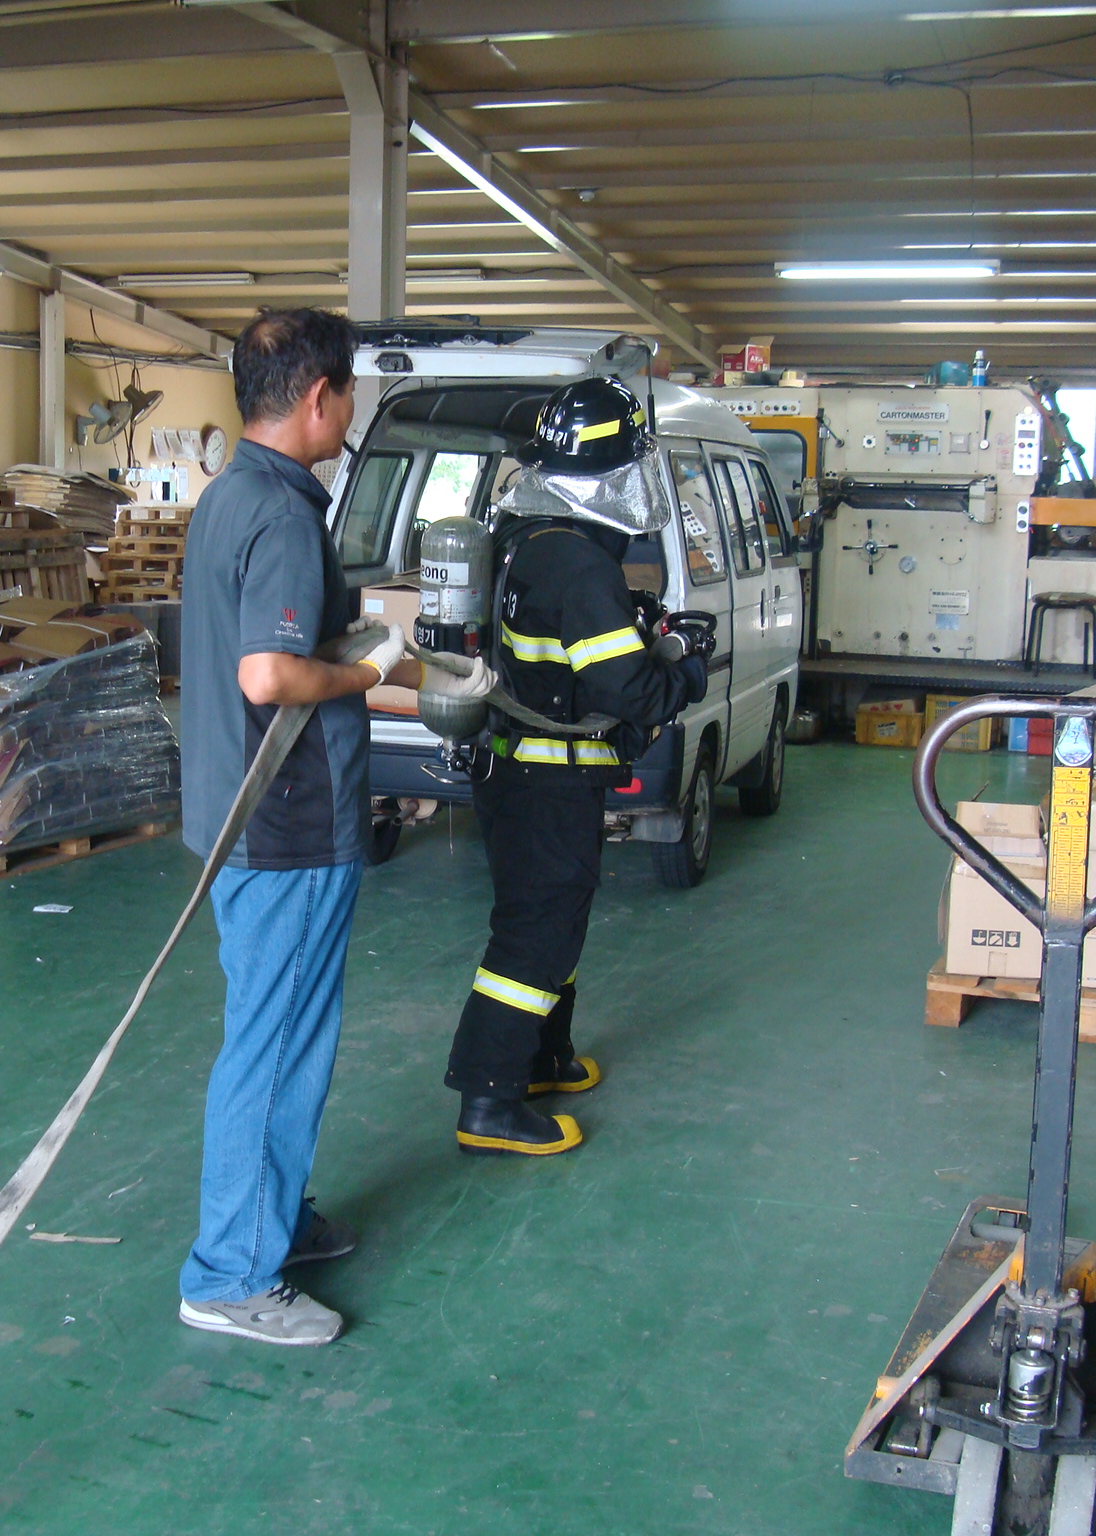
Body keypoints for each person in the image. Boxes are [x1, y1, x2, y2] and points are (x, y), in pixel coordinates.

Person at [178, 307, 493, 1345]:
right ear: (320, 397)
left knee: (277, 1031)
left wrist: (370, 652)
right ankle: (230, 1274)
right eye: (350, 390)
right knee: (275, 1044)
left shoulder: (231, 496)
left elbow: (274, 641)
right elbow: (267, 674)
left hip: (239, 815)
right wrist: (366, 674)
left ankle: (269, 1219)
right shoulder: (278, 513)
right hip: (287, 824)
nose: (352, 407)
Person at [446, 376, 707, 1157]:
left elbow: (572, 656)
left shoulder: (522, 538)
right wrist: (686, 666)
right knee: (536, 930)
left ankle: (542, 1059)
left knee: (552, 918)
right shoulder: (580, 564)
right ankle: (489, 1102)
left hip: (516, 769)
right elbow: (630, 689)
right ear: (615, 473)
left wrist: (639, 631)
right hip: (548, 779)